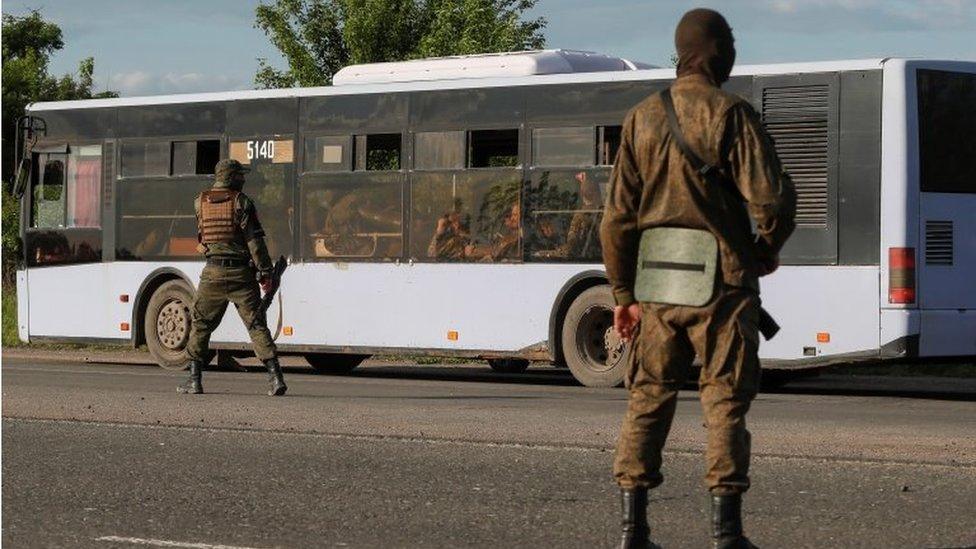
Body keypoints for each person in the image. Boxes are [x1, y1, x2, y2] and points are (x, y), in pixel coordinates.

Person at [600, 8, 796, 549]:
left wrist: (623, 294)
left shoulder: (641, 118)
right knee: (725, 402)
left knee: (647, 399)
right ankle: (726, 535)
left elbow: (617, 218)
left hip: (657, 290)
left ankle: (632, 531)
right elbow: (775, 199)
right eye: (729, 42)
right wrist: (765, 249)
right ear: (714, 51)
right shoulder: (732, 114)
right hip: (724, 288)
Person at [177, 159, 287, 396]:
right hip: (241, 275)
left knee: (201, 324)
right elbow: (254, 242)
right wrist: (265, 272)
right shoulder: (242, 202)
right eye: (241, 176)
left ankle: (194, 381)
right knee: (256, 324)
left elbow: (203, 238)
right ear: (233, 177)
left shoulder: (199, 202)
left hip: (213, 274)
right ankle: (275, 378)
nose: (244, 179)